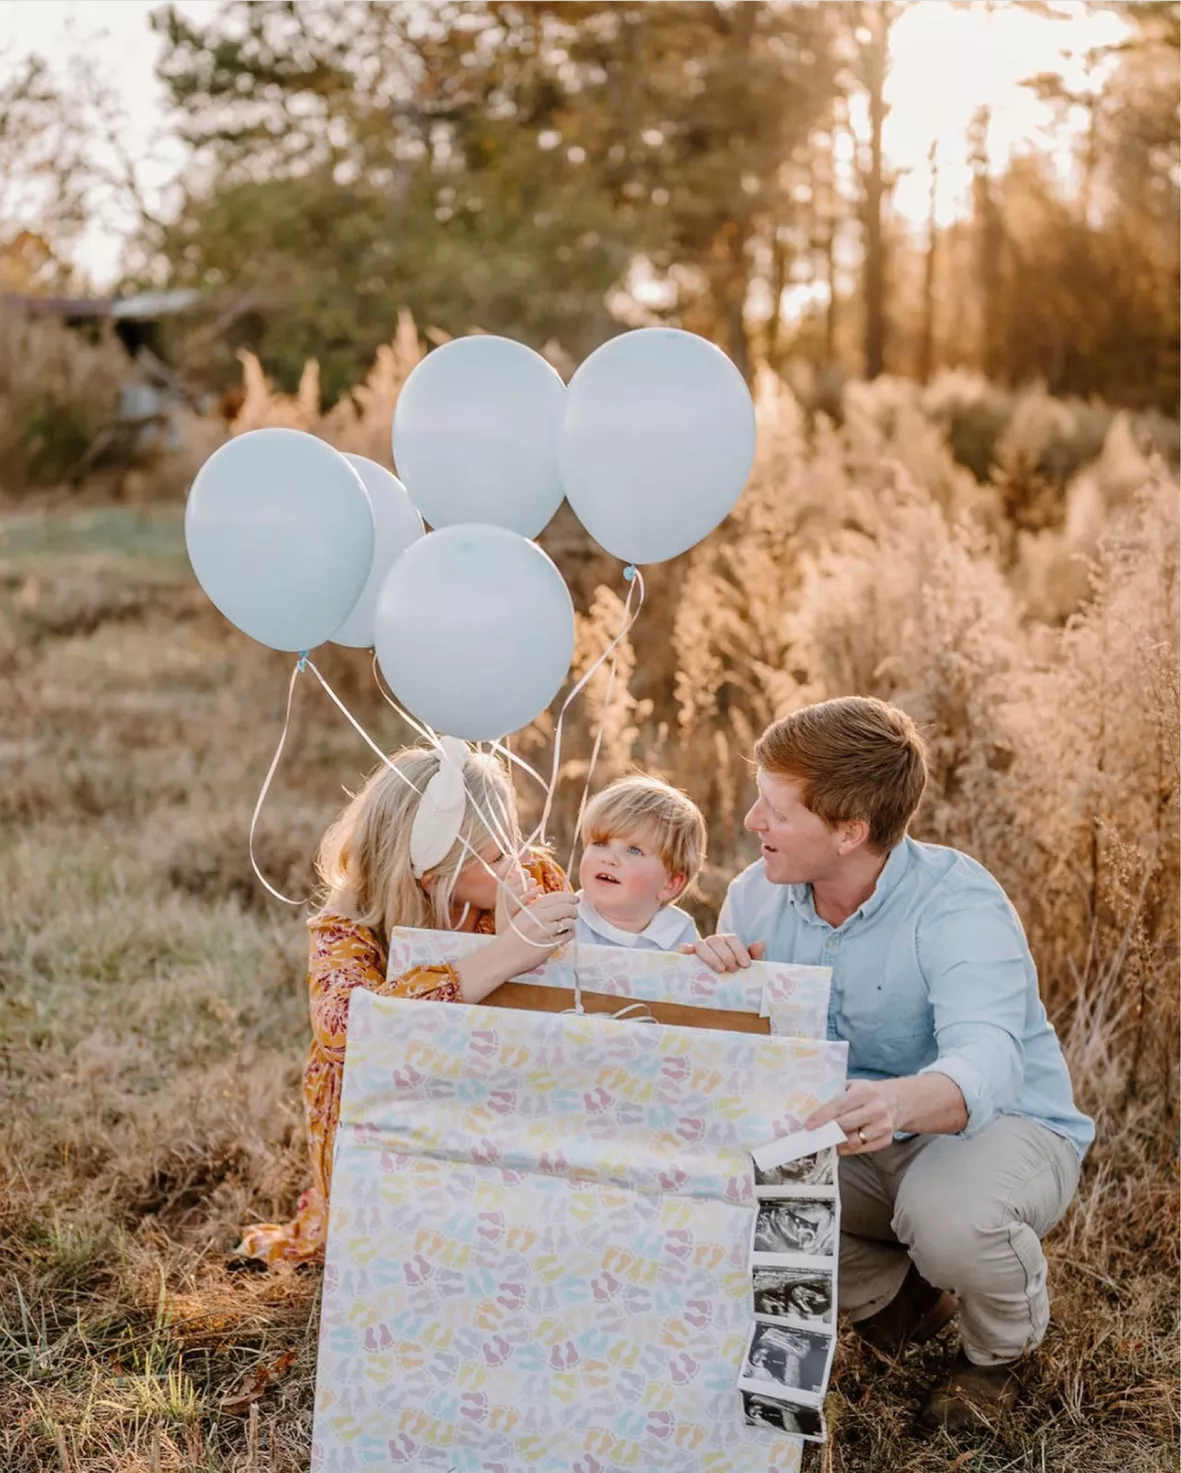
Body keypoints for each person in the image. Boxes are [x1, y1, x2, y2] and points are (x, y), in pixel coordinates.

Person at [684, 697, 1093, 1431]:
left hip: (993, 1128)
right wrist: (703, 983)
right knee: (718, 1175)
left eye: (775, 808)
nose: (751, 821)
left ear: (849, 831)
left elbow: (989, 1059)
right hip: (851, 1137)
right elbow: (736, 1061)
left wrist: (896, 1105)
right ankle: (900, 1303)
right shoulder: (753, 897)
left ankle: (998, 1355)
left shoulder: (956, 902)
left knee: (948, 1215)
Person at [236, 739, 578, 1266]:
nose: (517, 860)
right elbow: (347, 1028)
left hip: (499, 1091)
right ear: (430, 876)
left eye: (515, 838)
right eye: (493, 855)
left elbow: (594, 978)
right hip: (393, 1109)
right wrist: (503, 956)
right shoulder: (349, 925)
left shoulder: (532, 880)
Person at [573, 774, 705, 950]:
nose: (609, 858)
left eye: (634, 850)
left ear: (670, 884)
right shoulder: (562, 920)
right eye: (600, 843)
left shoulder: (679, 936)